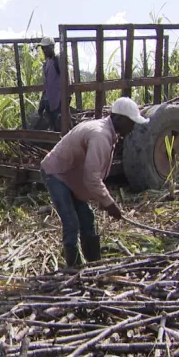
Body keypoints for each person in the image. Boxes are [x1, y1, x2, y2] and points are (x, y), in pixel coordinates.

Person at [40, 97, 147, 268]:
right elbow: (91, 178)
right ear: (119, 118)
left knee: (87, 218)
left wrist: (102, 200)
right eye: (131, 122)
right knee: (71, 223)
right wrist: (109, 203)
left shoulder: (107, 132)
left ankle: (94, 264)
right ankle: (74, 270)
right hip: (56, 173)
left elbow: (90, 175)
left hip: (70, 175)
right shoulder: (100, 135)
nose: (133, 127)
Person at [37, 36, 62, 131]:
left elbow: (67, 80)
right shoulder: (46, 64)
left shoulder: (57, 60)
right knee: (52, 127)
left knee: (61, 127)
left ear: (52, 47)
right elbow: (46, 86)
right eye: (43, 48)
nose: (44, 50)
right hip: (49, 103)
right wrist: (42, 103)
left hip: (58, 102)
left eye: (46, 47)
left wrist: (65, 100)